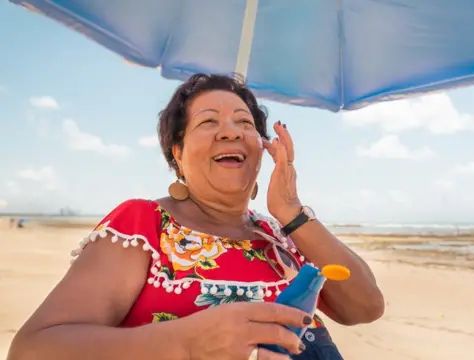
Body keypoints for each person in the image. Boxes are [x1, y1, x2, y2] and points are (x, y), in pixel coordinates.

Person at [7, 73, 384, 360]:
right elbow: (33, 349)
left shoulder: (279, 235)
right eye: (208, 122)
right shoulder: (144, 223)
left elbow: (365, 307)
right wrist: (185, 341)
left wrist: (292, 213)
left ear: (262, 148)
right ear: (178, 153)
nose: (229, 132)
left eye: (245, 123)